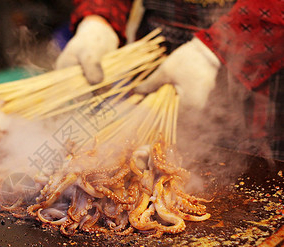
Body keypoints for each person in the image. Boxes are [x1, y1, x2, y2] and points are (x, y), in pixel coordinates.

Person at [56, 0, 284, 160]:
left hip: (255, 67)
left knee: (247, 181)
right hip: (155, 57)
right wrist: (99, 18)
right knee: (134, 155)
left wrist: (213, 52)